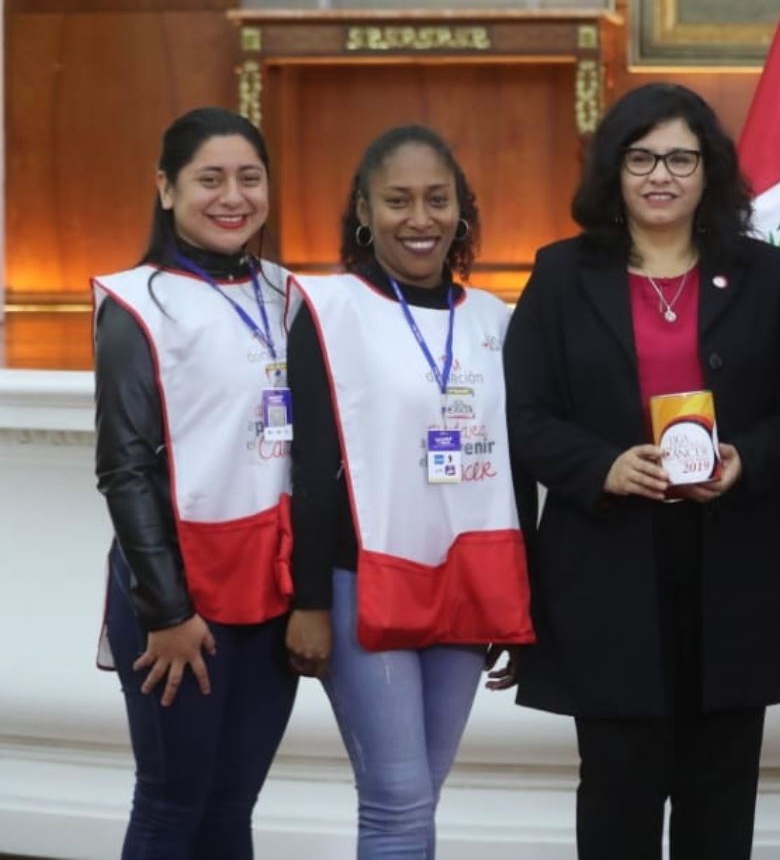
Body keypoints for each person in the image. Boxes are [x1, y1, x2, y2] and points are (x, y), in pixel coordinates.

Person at [504, 83, 780, 859]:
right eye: (642, 157)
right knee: (617, 790)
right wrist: (603, 466)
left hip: (734, 562)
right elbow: (525, 416)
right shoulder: (560, 276)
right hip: (607, 566)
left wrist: (748, 458)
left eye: (681, 158)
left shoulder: (757, 274)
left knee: (720, 798)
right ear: (613, 172)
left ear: (708, 170)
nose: (661, 175)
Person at [283, 125, 533, 859]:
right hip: (363, 580)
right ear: (364, 209)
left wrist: (520, 607)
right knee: (398, 802)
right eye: (398, 200)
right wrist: (310, 603)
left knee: (424, 790)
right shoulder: (328, 310)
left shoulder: (492, 319)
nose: (419, 218)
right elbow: (310, 465)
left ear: (463, 210)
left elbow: (516, 471)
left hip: (466, 582)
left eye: (437, 199)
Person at [92, 107, 299, 858]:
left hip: (269, 593)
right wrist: (168, 611)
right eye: (209, 179)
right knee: (172, 805)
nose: (232, 196)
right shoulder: (135, 303)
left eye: (249, 178)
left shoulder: (290, 295)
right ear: (166, 188)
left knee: (232, 805)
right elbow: (125, 467)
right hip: (178, 598)